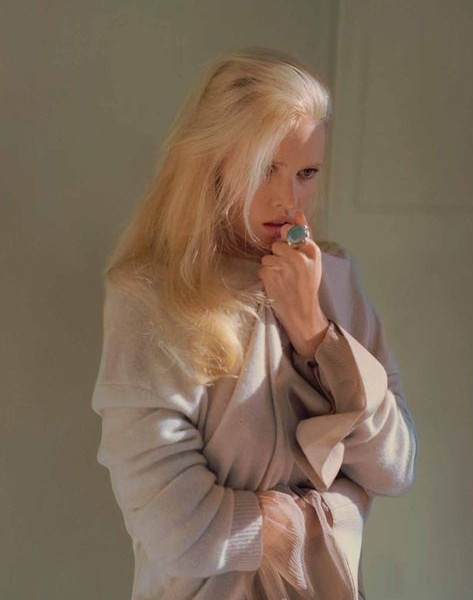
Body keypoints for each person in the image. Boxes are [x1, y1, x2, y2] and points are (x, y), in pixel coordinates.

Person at [91, 47, 417, 600]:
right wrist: (325, 516)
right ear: (212, 162)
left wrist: (314, 330)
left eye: (306, 173)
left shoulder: (335, 280)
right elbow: (176, 528)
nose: (288, 199)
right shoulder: (151, 296)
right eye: (265, 168)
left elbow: (395, 467)